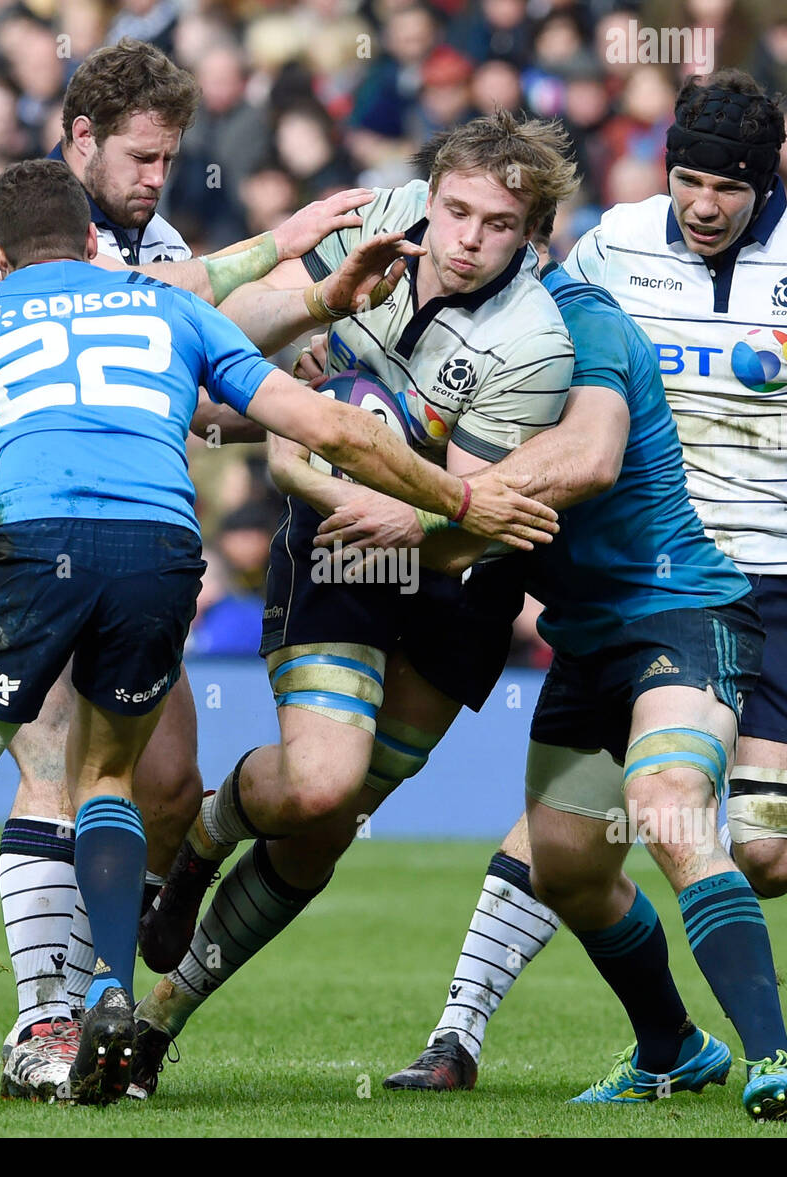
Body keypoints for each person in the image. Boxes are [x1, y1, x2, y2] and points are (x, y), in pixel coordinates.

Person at [0, 157, 557, 1108]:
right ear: (87, 244)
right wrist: (464, 496)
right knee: (110, 779)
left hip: (26, 546)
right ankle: (110, 992)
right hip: (159, 556)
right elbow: (331, 425)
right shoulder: (165, 309)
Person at [387, 68, 787, 1094]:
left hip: (780, 578)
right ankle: (467, 1030)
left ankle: (662, 989)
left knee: (768, 854)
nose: (701, 205)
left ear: (764, 185)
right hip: (650, 581)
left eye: (725, 190)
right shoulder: (613, 245)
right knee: (635, 810)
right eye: (686, 180)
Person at [0, 38, 386, 1097]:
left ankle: (97, 1013)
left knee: (162, 785)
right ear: (79, 140)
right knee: (55, 766)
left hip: (121, 531)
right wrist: (287, 254)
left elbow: (200, 365)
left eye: (167, 158)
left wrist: (309, 313)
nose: (153, 177)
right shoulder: (22, 227)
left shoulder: (154, 236)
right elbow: (173, 299)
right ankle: (48, 1031)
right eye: (137, 156)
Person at [130, 111, 583, 1087]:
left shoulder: (534, 345)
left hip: (460, 573)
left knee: (323, 831)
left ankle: (159, 1018)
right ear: (431, 192)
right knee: (321, 785)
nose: (461, 236)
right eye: (453, 209)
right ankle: (204, 839)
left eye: (494, 224)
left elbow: (470, 511)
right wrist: (304, 329)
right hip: (343, 550)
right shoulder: (385, 218)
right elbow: (244, 336)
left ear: (530, 234)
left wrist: (323, 468)